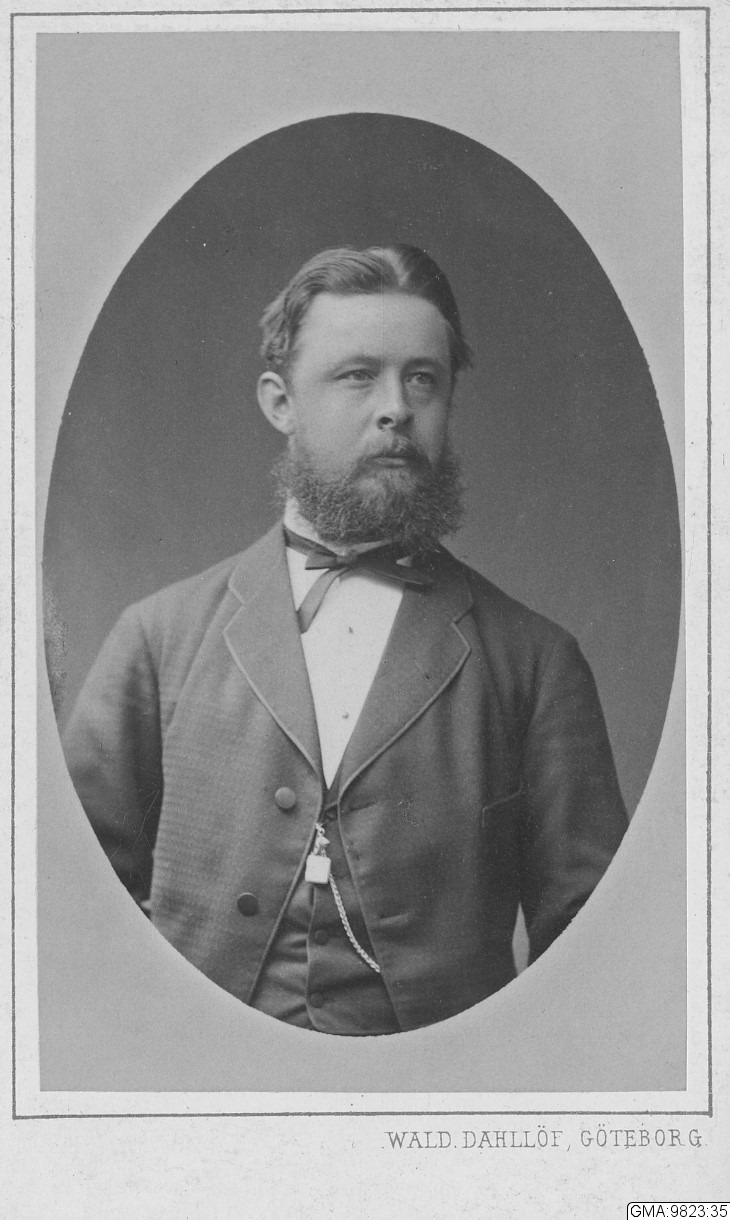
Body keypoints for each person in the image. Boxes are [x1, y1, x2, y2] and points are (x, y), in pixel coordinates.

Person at [62, 244, 628, 1035]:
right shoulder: (157, 639)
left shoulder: (534, 663)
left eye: (423, 379)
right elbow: (68, 907)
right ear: (280, 402)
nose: (396, 408)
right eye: (358, 375)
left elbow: (592, 958)